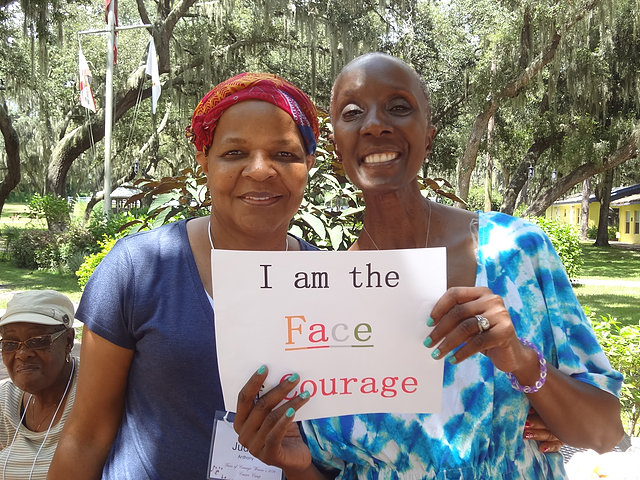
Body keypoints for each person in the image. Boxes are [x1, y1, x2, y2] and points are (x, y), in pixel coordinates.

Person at [233, 53, 624, 479]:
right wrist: (295, 465)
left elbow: (604, 433)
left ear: (429, 136)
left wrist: (522, 361)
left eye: (399, 107)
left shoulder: (516, 253)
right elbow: (327, 468)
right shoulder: (324, 298)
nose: (375, 124)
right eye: (352, 112)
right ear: (335, 144)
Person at [47, 72, 319, 479]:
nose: (260, 170)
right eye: (235, 153)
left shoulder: (331, 288)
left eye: (284, 154)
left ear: (308, 165)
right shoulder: (139, 268)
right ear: (204, 160)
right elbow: (86, 436)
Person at [0, 290, 78, 480]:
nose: (22, 353)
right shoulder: (6, 400)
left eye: (37, 341)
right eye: (10, 343)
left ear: (68, 341)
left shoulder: (92, 393)